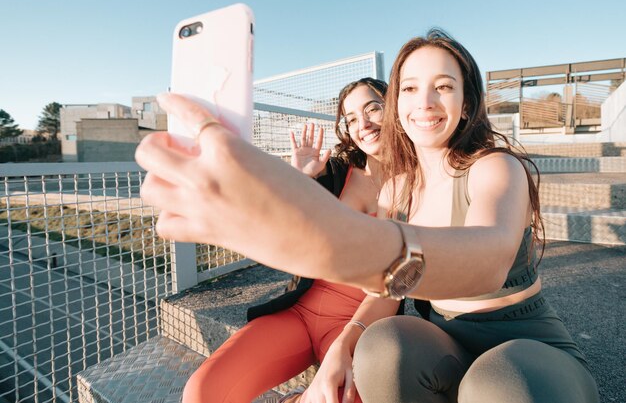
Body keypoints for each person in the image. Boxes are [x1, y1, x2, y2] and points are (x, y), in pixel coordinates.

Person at [135, 29, 599, 402]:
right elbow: (388, 289)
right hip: (445, 341)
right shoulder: (397, 187)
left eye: (444, 87)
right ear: (400, 102)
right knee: (384, 345)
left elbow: (490, 258)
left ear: (467, 101)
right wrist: (346, 342)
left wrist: (326, 242)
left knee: (498, 384)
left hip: (525, 341)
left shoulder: (495, 167)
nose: (426, 102)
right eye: (411, 88)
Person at [181, 78, 401, 403]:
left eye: (373, 109)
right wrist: (300, 179)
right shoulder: (335, 172)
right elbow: (275, 227)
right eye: (352, 118)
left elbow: (395, 284)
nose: (363, 124)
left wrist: (347, 340)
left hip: (359, 322)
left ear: (395, 107)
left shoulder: (420, 185)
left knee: (344, 398)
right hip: (298, 312)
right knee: (202, 391)